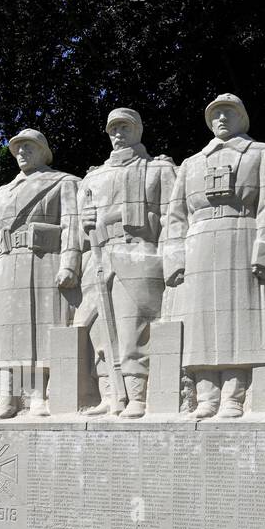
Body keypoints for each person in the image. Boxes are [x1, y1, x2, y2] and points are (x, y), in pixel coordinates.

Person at [164, 94, 265, 418]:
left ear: (243, 118)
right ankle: (205, 396)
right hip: (198, 243)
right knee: (198, 323)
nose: (221, 118)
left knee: (238, 320)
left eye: (229, 112)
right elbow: (175, 217)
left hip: (240, 235)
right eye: (215, 114)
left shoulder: (263, 153)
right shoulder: (191, 163)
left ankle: (233, 396)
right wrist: (175, 258)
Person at [0, 129, 82, 418]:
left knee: (39, 332)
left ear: (43, 152)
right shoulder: (1, 194)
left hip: (43, 260)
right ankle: (8, 397)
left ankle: (38, 396)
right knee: (7, 337)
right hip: (6, 266)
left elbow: (73, 225)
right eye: (17, 148)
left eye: (28, 147)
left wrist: (69, 263)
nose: (21, 152)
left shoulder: (63, 182)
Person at [77, 107, 177, 417]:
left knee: (133, 327)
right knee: (97, 330)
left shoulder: (158, 169)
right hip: (98, 253)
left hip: (137, 250)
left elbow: (173, 218)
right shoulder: (93, 176)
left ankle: (136, 395)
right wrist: (85, 221)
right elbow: (79, 230)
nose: (118, 134)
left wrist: (172, 260)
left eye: (125, 127)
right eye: (113, 129)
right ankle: (109, 394)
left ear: (138, 130)